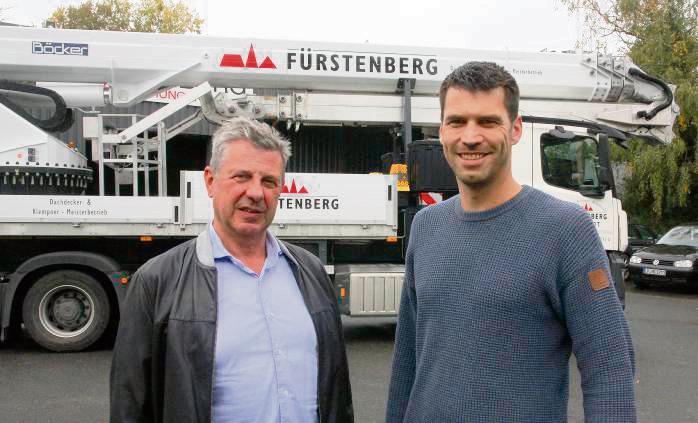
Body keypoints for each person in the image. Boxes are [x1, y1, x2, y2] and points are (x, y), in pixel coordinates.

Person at [386, 62, 635, 422]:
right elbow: (407, 359)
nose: (470, 137)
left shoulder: (566, 230)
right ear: (441, 131)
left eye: (488, 121)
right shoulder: (427, 226)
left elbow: (609, 367)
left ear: (515, 129)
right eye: (457, 121)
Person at [110, 117, 353, 423]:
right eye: (242, 177)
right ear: (210, 181)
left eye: (269, 181)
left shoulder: (309, 272)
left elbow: (337, 391)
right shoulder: (157, 281)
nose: (256, 193)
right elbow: (130, 403)